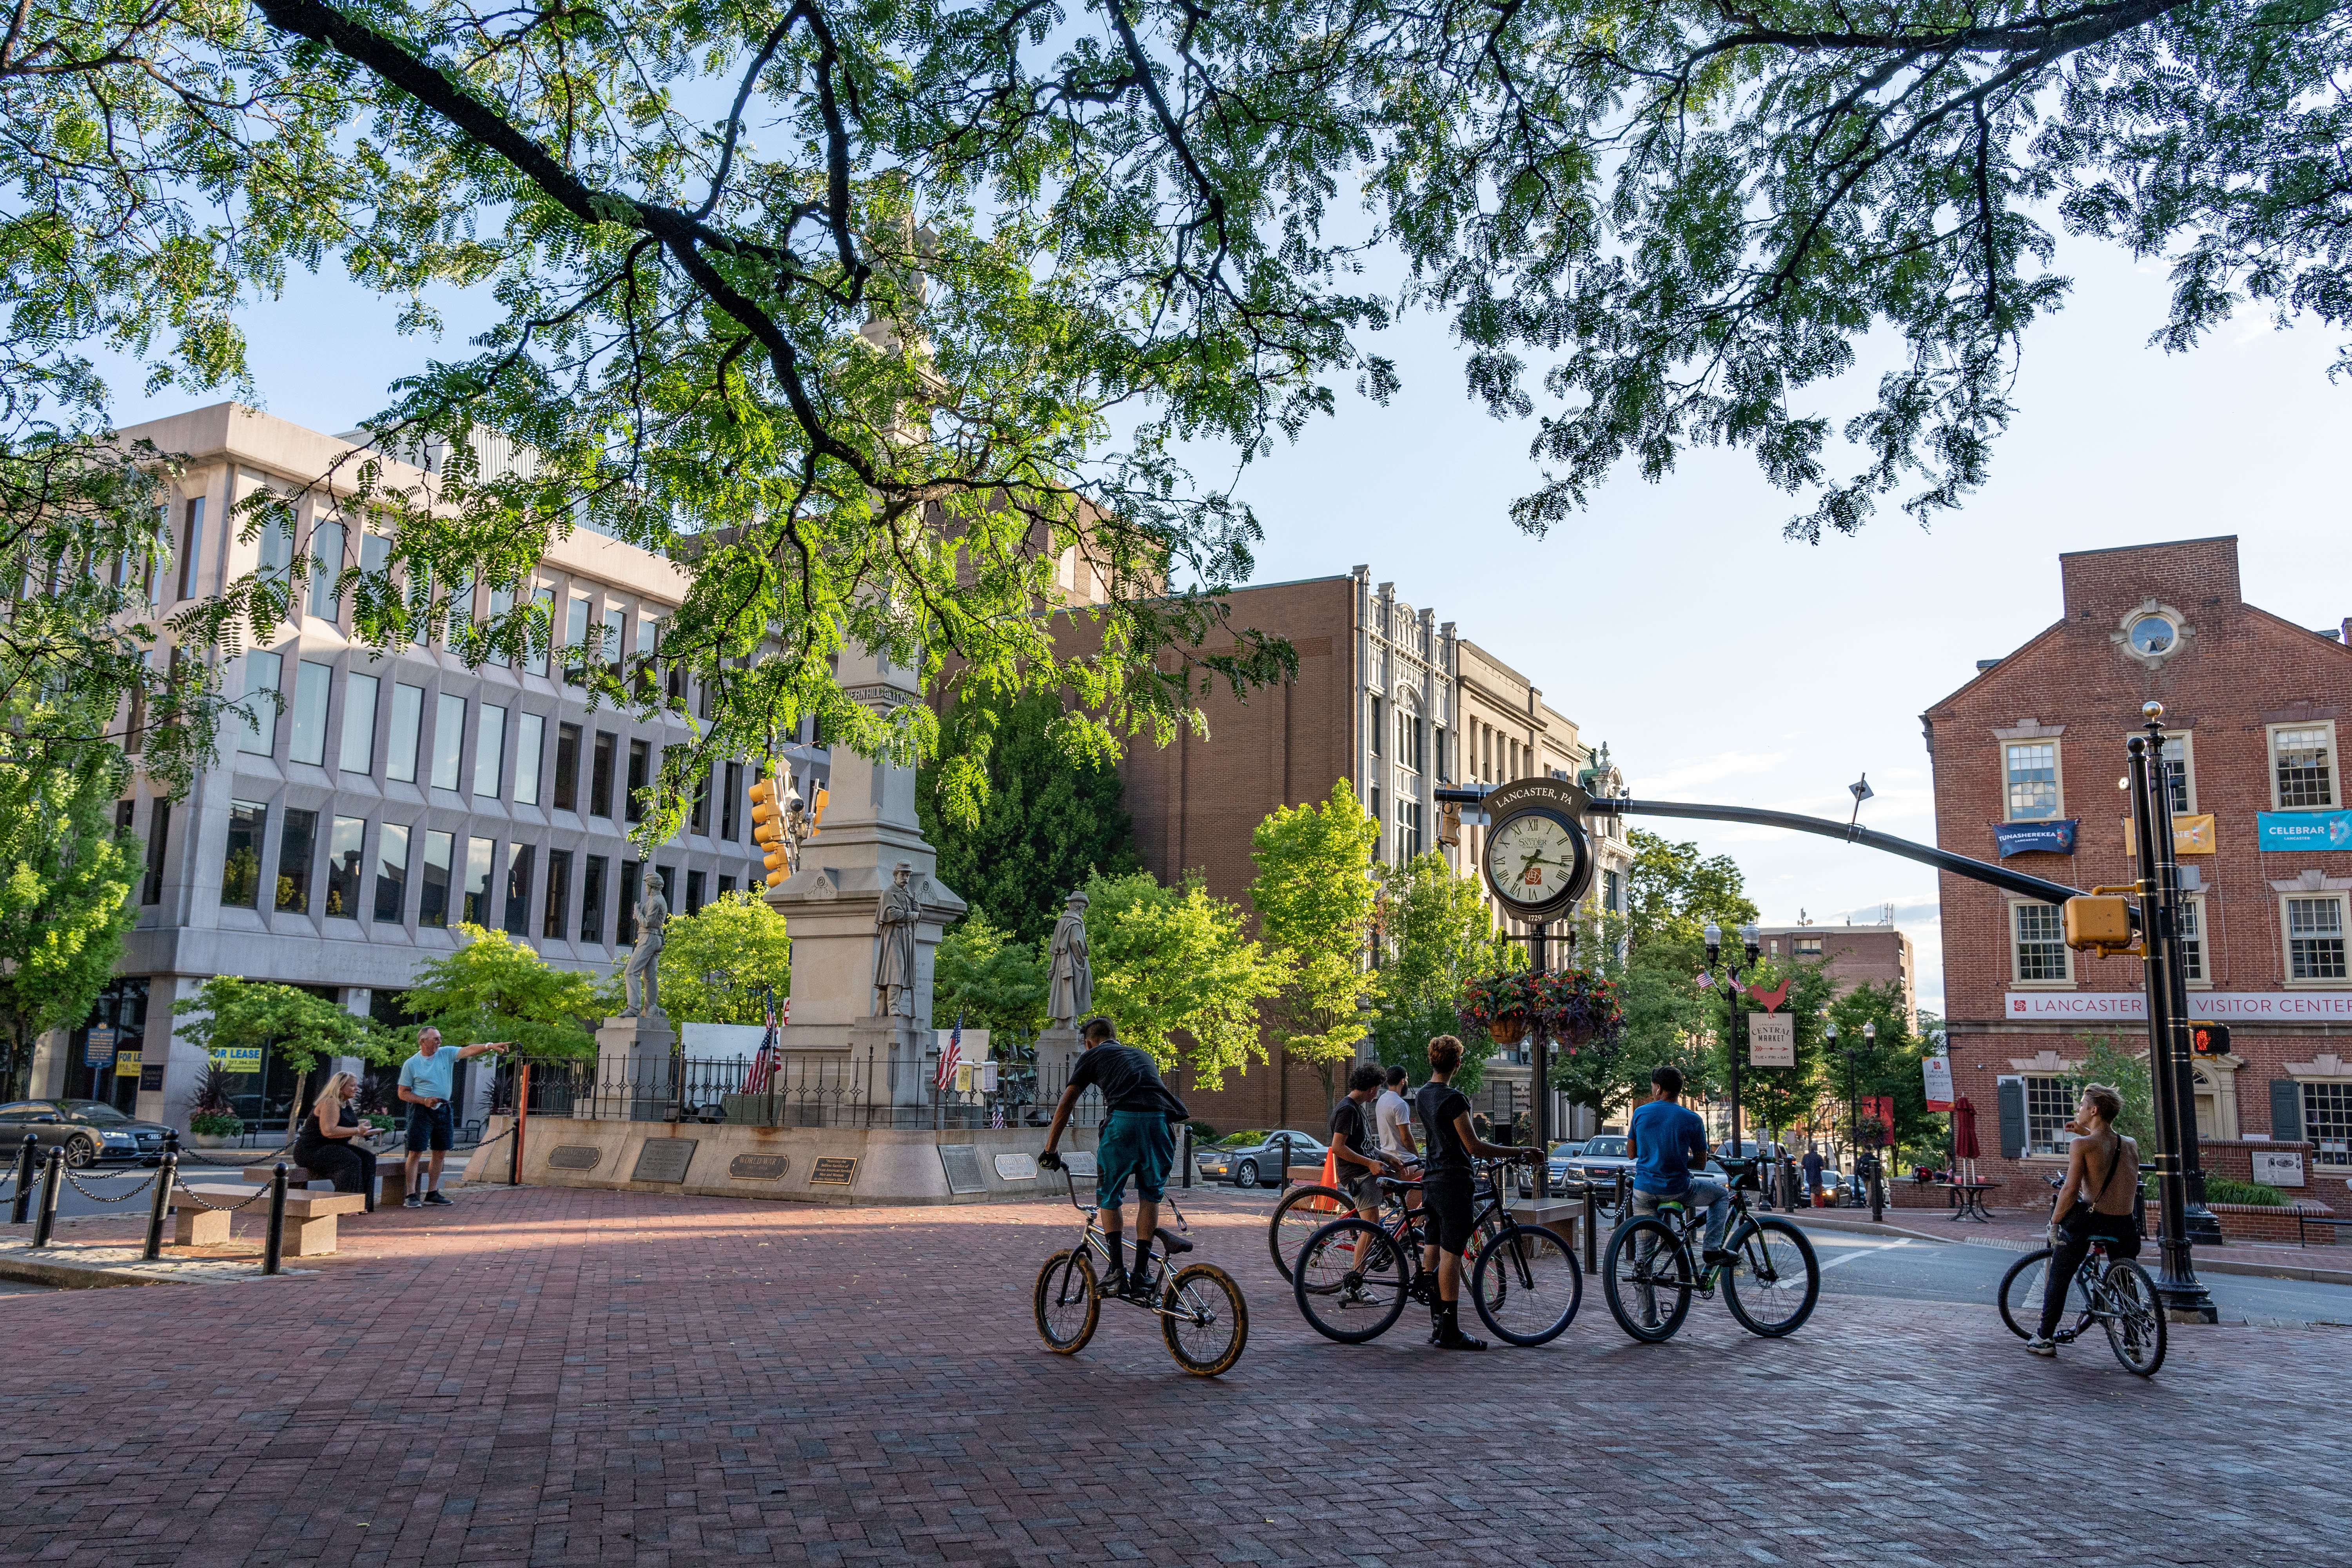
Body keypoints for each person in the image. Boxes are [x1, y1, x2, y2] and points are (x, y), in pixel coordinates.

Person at [1040, 1016, 1191, 1300]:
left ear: (1088, 1044)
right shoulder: (1142, 1055)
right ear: (1115, 1036)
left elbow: (1068, 1100)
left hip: (1123, 1122)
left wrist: (1050, 1150)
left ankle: (1117, 1272)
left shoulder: (1093, 1055)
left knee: (1109, 1196)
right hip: (1160, 1123)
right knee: (1150, 1196)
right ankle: (1142, 1275)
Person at [1414, 1034, 1537, 1351]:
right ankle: (1451, 1329)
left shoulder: (1424, 1094)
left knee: (1433, 1245)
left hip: (1432, 1179)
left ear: (1432, 1060)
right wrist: (1519, 1152)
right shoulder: (1454, 1099)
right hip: (1455, 1180)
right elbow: (1473, 1146)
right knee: (1452, 1254)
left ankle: (1437, 1324)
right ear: (1458, 1063)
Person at [2025, 1083, 2141, 1357]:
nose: (2077, 1109)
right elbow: (2106, 1147)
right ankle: (2133, 1343)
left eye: (2081, 1105)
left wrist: (2055, 1222)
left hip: (2094, 1221)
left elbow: (2070, 1189)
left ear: (2094, 1110)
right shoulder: (2130, 1144)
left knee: (2059, 1274)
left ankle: (2044, 1338)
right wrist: (2085, 1132)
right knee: (2125, 1281)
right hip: (2126, 1224)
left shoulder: (2082, 1145)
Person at [1626, 1064, 1733, 1283]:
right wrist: (1680, 1158)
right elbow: (1701, 1164)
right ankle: (1712, 1249)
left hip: (1644, 1190)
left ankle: (1646, 1318)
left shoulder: (1640, 1113)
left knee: (1643, 1261)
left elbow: (1631, 1154)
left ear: (1658, 1088)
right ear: (1679, 1090)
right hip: (1678, 1190)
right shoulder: (1693, 1119)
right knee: (1722, 1196)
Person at [397, 1028, 510, 1208]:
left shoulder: (446, 1054)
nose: (439, 1042)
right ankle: (411, 1195)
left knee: (440, 1151)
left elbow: (469, 1050)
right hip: (421, 1111)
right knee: (416, 1151)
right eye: (435, 1039)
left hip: (444, 1108)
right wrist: (424, 1101)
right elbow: (403, 1093)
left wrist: (490, 1047)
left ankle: (433, 1193)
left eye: (440, 1038)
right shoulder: (411, 1064)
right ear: (423, 1042)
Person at [292, 1072, 379, 1209]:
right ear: (339, 1087)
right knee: (351, 1161)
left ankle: (363, 1204)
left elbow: (346, 1127)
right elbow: (329, 1131)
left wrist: (365, 1132)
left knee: (368, 1158)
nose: (357, 1089)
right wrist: (357, 1131)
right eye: (352, 1085)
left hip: (335, 1146)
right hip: (313, 1149)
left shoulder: (346, 1103)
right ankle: (345, 1205)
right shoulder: (330, 1102)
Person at [1329, 1064, 1401, 1222]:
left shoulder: (1358, 1107)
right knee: (1371, 1230)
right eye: (1378, 1088)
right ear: (1371, 1088)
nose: (1377, 1093)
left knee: (1415, 1175)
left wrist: (1387, 1157)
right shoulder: (1348, 1110)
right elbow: (1338, 1147)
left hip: (1368, 1170)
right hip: (1359, 1175)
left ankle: (1403, 1231)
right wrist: (1370, 1163)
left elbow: (1365, 1145)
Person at [1802, 1143, 1825, 1207]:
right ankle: (1813, 1205)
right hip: (1817, 1176)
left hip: (1809, 1176)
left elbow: (1803, 1166)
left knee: (1811, 1189)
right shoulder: (1819, 1157)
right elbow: (1821, 1167)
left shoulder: (1805, 1157)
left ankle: (1814, 1204)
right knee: (1814, 1191)